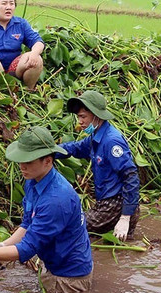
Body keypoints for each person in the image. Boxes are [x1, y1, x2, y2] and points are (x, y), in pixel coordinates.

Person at [0, 126, 93, 293]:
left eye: (28, 162)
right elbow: (28, 223)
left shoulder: (56, 200)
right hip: (54, 261)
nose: (22, 167)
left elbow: (26, 249)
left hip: (69, 277)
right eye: (21, 161)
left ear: (47, 161)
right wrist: (4, 244)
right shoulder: (33, 180)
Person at [58, 91, 140, 240]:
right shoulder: (95, 137)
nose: (80, 122)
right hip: (106, 204)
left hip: (116, 205)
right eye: (78, 117)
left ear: (96, 116)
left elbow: (131, 176)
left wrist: (125, 217)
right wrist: (50, 151)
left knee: (73, 228)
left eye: (83, 117)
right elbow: (75, 148)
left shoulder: (111, 141)